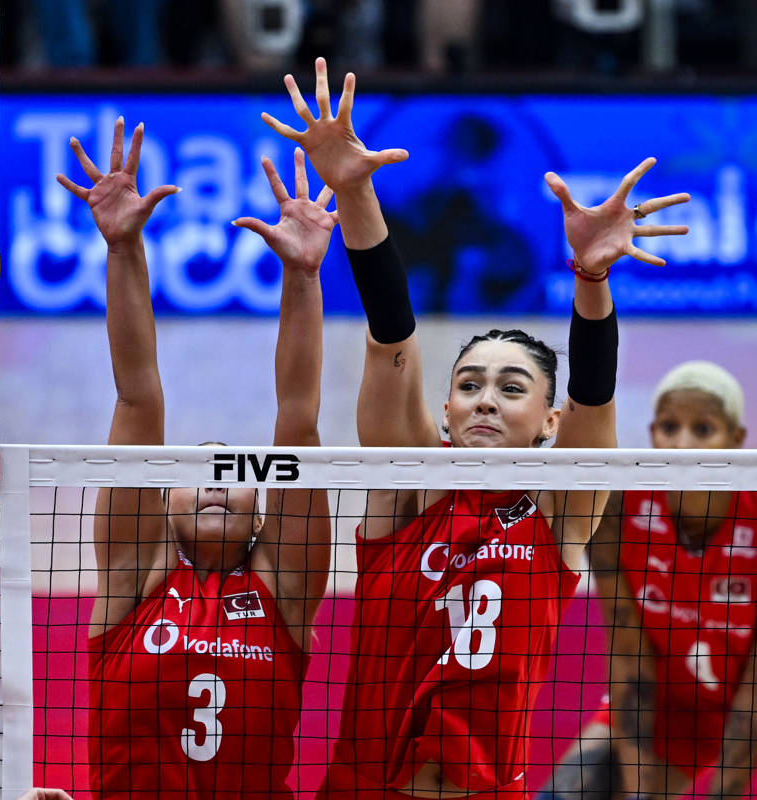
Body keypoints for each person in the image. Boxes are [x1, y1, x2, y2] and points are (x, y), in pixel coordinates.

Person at [261, 57, 691, 799]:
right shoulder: (410, 492)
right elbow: (390, 334)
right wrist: (356, 193)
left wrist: (591, 281)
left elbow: (596, 398)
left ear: (546, 422)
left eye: (511, 387)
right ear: (449, 414)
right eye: (469, 385)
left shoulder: (561, 513)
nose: (486, 399)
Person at [57, 117, 333, 799]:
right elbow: (137, 399)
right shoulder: (134, 577)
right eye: (193, 475)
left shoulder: (284, 588)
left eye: (233, 475)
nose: (215, 486)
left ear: (264, 509)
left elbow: (297, 421)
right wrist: (123, 250)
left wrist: (302, 276)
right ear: (160, 500)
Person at [540, 361, 755, 800]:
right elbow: (626, 653)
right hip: (652, 699)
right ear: (652, 432)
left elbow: (754, 694)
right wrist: (640, 787)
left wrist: (727, 790)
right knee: (563, 795)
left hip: (737, 709)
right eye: (670, 426)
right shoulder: (617, 509)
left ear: (736, 441)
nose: (681, 444)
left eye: (703, 429)